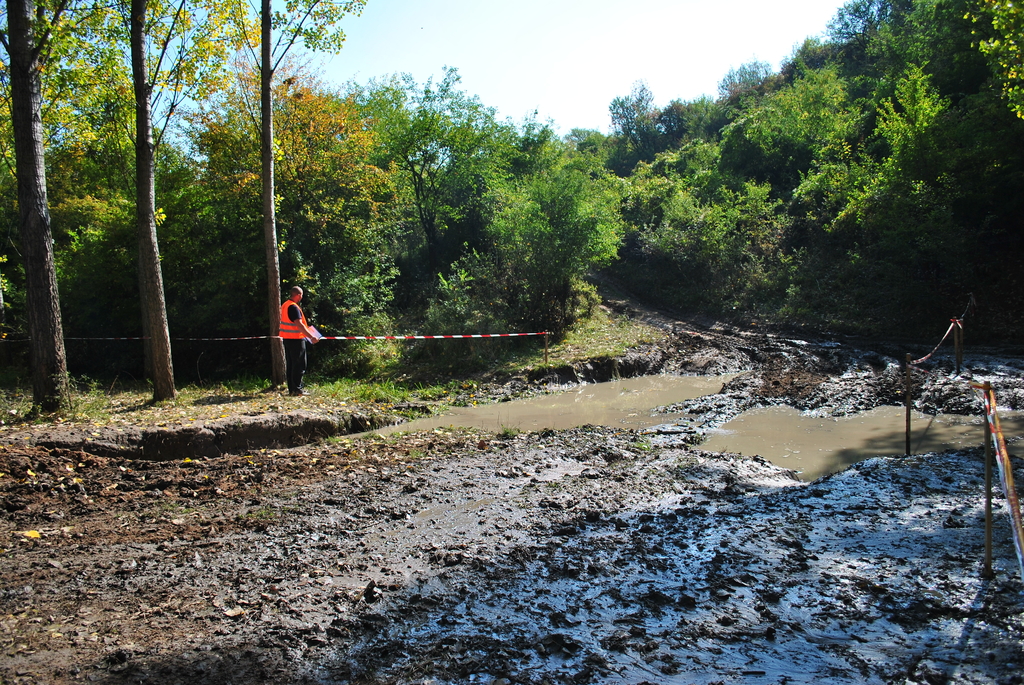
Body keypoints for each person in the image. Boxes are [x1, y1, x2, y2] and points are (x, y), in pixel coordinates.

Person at [279, 286, 319, 396]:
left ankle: (293, 389)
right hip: (296, 339)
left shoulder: (285, 305)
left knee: (291, 364)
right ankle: (297, 389)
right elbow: (299, 324)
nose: (301, 297)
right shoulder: (293, 307)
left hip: (287, 338)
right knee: (299, 365)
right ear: (298, 295)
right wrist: (311, 336)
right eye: (301, 295)